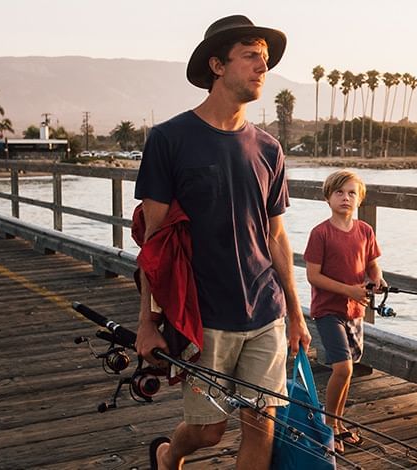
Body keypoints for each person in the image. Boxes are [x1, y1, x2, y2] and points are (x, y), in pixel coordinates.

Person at [133, 15, 310, 470]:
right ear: (217, 64)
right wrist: (148, 323)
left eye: (265, 60)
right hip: (203, 315)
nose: (262, 68)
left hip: (264, 310)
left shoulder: (269, 149)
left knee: (261, 423)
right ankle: (169, 454)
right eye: (250, 56)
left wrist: (294, 311)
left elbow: (275, 236)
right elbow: (154, 242)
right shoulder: (170, 140)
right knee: (209, 431)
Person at [303, 169, 385, 454]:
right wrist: (348, 289)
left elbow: (373, 263)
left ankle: (337, 424)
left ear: (360, 199)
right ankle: (328, 426)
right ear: (328, 198)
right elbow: (313, 276)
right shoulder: (320, 233)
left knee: (347, 370)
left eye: (352, 193)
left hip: (355, 311)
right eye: (339, 192)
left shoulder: (365, 231)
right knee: (344, 367)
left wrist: (377, 278)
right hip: (328, 311)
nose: (346, 198)